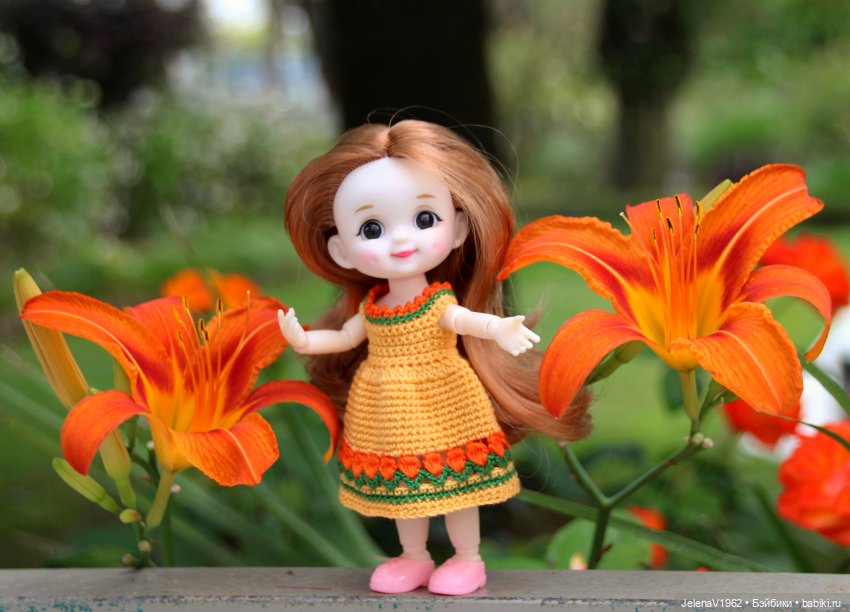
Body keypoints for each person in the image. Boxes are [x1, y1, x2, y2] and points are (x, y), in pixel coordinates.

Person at [279, 120, 589, 595]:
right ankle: (414, 556)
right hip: (387, 411)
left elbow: (463, 320)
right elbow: (345, 336)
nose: (401, 240)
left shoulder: (435, 303)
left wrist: (499, 328)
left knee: (456, 487)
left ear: (458, 227)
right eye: (372, 229)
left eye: (424, 219)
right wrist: (303, 340)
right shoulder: (374, 308)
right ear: (341, 250)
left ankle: (468, 558)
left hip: (443, 401)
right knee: (407, 488)